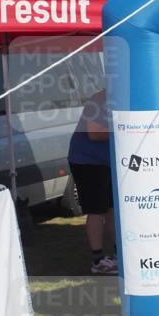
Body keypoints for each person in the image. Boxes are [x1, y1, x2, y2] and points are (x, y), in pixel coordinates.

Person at [67, 89, 117, 274]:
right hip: (87, 161)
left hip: (106, 161)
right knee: (97, 210)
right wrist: (125, 128)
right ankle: (98, 260)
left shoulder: (121, 97)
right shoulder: (98, 100)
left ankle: (117, 252)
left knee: (113, 208)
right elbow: (94, 133)